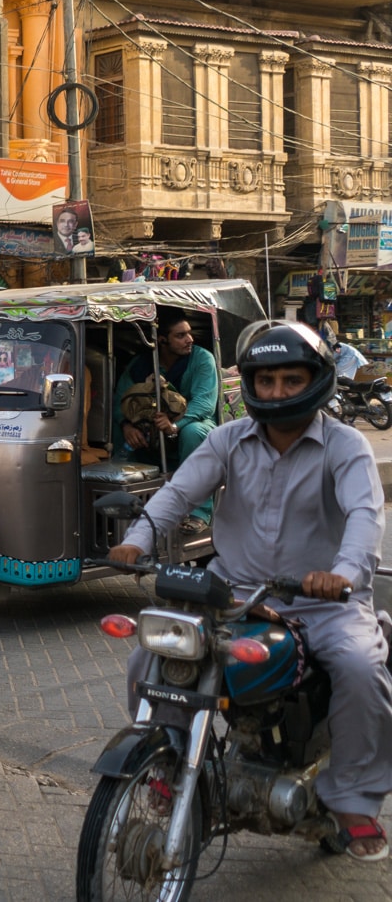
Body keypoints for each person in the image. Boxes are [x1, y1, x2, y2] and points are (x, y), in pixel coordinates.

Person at [108, 321, 392, 860]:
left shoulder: (345, 445)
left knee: (361, 670)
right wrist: (138, 539)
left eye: (291, 379)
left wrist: (346, 572)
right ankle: (165, 763)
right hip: (236, 596)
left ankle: (354, 799)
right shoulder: (227, 438)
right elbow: (178, 491)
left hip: (324, 604)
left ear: (315, 380)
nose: (278, 391)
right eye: (266, 381)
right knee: (150, 660)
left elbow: (363, 514)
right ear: (253, 386)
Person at [113, 309, 219, 527]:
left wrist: (175, 425)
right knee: (119, 436)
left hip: (192, 423)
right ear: (161, 340)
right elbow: (120, 401)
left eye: (189, 333)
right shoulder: (140, 364)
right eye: (180, 336)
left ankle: (199, 512)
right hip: (152, 427)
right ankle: (125, 511)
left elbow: (204, 404)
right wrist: (126, 426)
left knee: (194, 433)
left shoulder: (202, 359)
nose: (189, 339)